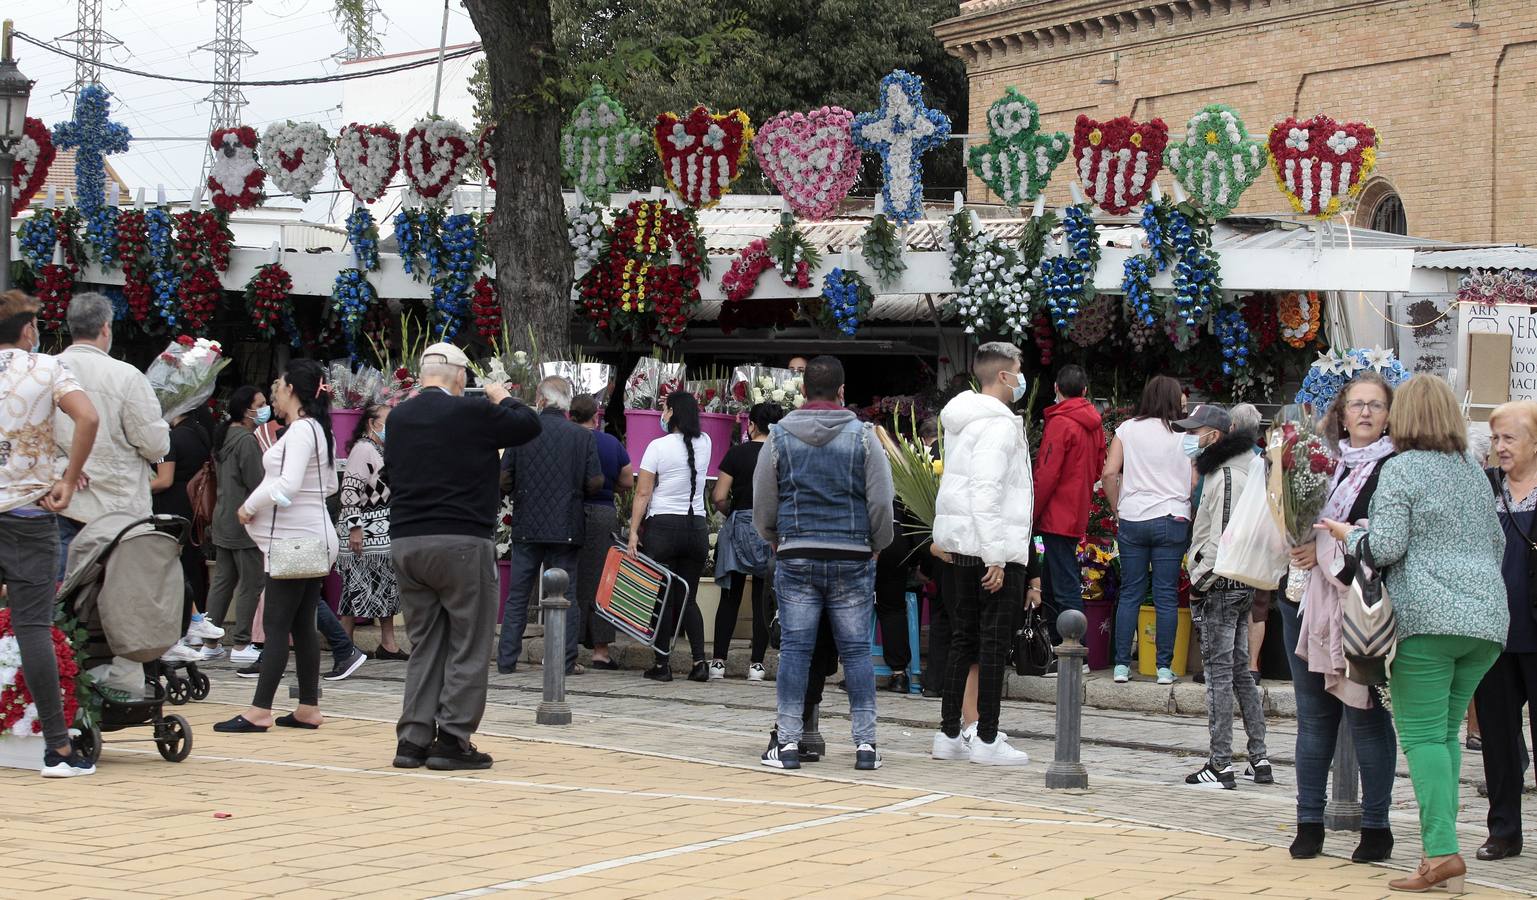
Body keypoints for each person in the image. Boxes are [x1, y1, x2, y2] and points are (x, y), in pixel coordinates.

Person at [1320, 375, 1508, 893]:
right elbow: (1495, 543)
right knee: (1445, 734)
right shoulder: (1472, 469)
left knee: (1424, 737)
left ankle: (1442, 852)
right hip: (1486, 621)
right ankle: (1438, 850)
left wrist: (1349, 533)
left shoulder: (1400, 470)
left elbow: (1384, 547)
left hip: (1425, 621)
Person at [387, 343, 540, 770]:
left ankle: (413, 740)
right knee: (468, 643)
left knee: (425, 644)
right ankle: (453, 739)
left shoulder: (398, 418)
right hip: (461, 539)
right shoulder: (471, 412)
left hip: (407, 541)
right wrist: (501, 396)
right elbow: (528, 424)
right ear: (458, 375)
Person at [755, 355, 895, 771]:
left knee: (796, 651)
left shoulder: (778, 437)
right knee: (856, 653)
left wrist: (775, 539)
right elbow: (881, 501)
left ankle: (788, 745)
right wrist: (876, 543)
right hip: (852, 555)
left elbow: (764, 500)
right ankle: (865, 746)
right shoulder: (865, 438)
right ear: (842, 392)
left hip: (797, 553)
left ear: (802, 391)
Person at [1285, 371, 1399, 862]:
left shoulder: (1396, 467)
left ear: (1390, 413)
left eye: (1376, 404)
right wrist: (1298, 540)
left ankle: (1377, 827)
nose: (1366, 413)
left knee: (1366, 716)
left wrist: (1325, 546)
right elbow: (1292, 513)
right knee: (1313, 720)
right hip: (1308, 604)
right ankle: (1308, 821)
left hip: (1361, 606)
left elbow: (1388, 537)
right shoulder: (1322, 462)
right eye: (1357, 404)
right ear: (1342, 413)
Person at [0, 290, 99, 776]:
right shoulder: (46, 368)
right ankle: (57, 750)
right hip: (28, 511)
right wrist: (67, 477)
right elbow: (88, 417)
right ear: (26, 329)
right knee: (33, 626)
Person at [216, 358, 340, 735]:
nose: (274, 391)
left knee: (275, 624)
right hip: (311, 538)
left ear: (292, 390)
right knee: (301, 623)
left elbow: (286, 486)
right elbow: (328, 485)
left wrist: (249, 506)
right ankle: (307, 706)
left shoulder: (302, 430)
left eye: (279, 385)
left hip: (294, 541)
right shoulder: (317, 429)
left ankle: (260, 709)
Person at [929, 342, 1034, 767]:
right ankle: (987, 737)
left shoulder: (963, 421)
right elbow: (987, 490)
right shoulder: (1000, 426)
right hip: (991, 548)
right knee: (991, 645)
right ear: (1005, 376)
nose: (1022, 378)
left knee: (963, 640)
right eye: (1020, 371)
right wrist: (995, 555)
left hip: (960, 545)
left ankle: (950, 734)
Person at [1176, 403, 1269, 790]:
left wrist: (1201, 577)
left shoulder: (1227, 472)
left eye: (1195, 431)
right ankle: (1258, 758)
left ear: (1214, 435)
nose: (1189, 438)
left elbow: (1224, 535)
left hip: (1221, 581)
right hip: (1234, 580)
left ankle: (1221, 763)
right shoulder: (1239, 466)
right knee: (1238, 672)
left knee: (1218, 675)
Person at [51, 292, 170, 577]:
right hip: (117, 508)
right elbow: (155, 446)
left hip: (61, 498)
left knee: (61, 595)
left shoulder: (48, 369)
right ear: (106, 328)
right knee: (114, 598)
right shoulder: (126, 377)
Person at [498, 376, 602, 675]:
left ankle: (506, 661)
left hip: (528, 523)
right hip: (566, 524)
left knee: (518, 594)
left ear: (540, 400)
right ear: (567, 402)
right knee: (565, 596)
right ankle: (565, 661)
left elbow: (504, 480)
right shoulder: (582, 437)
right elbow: (594, 482)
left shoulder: (521, 435)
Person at [1473, 399, 1537, 862]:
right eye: (1495, 439)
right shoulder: (1486, 488)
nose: (1499, 447)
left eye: (1509, 438)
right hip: (1495, 633)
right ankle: (1504, 831)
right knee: (1497, 738)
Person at [1103, 375, 1189, 685]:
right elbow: (1193, 481)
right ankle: (1164, 668)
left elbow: (1110, 472)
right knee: (1166, 595)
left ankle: (1122, 665)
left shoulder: (1127, 429)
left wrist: (1117, 508)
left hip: (1133, 518)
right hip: (1172, 518)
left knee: (1130, 593)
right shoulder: (1185, 432)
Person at [628, 391, 713, 682]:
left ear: (673, 412)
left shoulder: (657, 446)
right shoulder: (706, 443)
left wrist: (632, 533)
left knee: (661, 597)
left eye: (664, 409)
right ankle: (700, 662)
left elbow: (643, 492)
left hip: (663, 527)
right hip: (697, 528)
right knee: (688, 598)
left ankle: (662, 665)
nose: (661, 415)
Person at [710, 402, 782, 682]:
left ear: (751, 424)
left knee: (730, 595)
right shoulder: (780, 454)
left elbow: (718, 496)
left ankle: (718, 662)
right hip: (769, 528)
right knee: (763, 598)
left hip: (739, 525)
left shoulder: (736, 454)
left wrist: (733, 510)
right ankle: (757, 665)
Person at [1033, 364, 1105, 632]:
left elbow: (1047, 474)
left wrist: (1032, 512)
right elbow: (1099, 466)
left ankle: (1072, 648)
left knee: (1061, 585)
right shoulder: (1093, 424)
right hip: (1076, 512)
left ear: (1056, 388)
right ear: (1085, 390)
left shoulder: (1060, 422)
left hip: (1054, 515)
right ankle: (1053, 644)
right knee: (1054, 582)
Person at [203, 386, 268, 663]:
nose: (266, 408)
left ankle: (209, 641)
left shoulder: (225, 436)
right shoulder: (246, 441)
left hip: (223, 518)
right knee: (250, 582)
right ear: (247, 410)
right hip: (245, 520)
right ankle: (241, 644)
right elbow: (257, 482)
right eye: (261, 404)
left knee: (222, 582)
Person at [337, 402, 407, 660]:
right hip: (364, 533)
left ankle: (388, 644)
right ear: (371, 423)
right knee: (355, 588)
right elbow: (349, 491)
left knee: (386, 587)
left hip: (381, 532)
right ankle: (344, 645)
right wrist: (355, 528)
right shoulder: (363, 449)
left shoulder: (380, 448)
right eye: (387, 420)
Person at [152, 403, 221, 655]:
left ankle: (184, 626)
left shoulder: (169, 438)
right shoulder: (200, 433)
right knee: (192, 564)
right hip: (195, 506)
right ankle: (197, 620)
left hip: (171, 507)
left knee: (172, 566)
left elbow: (163, 480)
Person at [571, 393, 632, 669]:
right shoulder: (611, 443)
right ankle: (600, 649)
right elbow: (628, 480)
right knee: (603, 579)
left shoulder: (566, 439)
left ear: (570, 415)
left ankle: (565, 644)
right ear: (597, 416)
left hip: (569, 512)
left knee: (568, 577)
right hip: (603, 511)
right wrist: (612, 488)